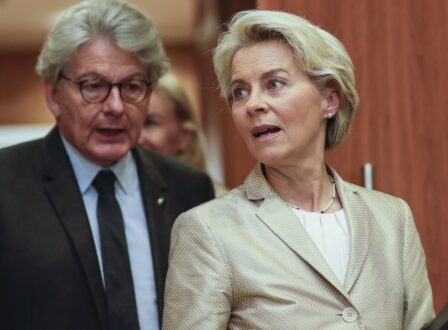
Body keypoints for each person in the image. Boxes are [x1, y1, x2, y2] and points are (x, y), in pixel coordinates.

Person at [163, 9, 434, 329]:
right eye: (240, 92)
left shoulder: (393, 219)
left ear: (329, 100)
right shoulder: (208, 231)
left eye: (274, 84)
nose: (253, 104)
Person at [0, 1, 214, 330]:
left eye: (131, 87)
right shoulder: (7, 185)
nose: (115, 107)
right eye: (93, 86)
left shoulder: (189, 189)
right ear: (53, 94)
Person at [138, 73, 228, 196]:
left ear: (185, 136)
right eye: (132, 124)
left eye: (150, 123)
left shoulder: (216, 204)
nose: (137, 138)